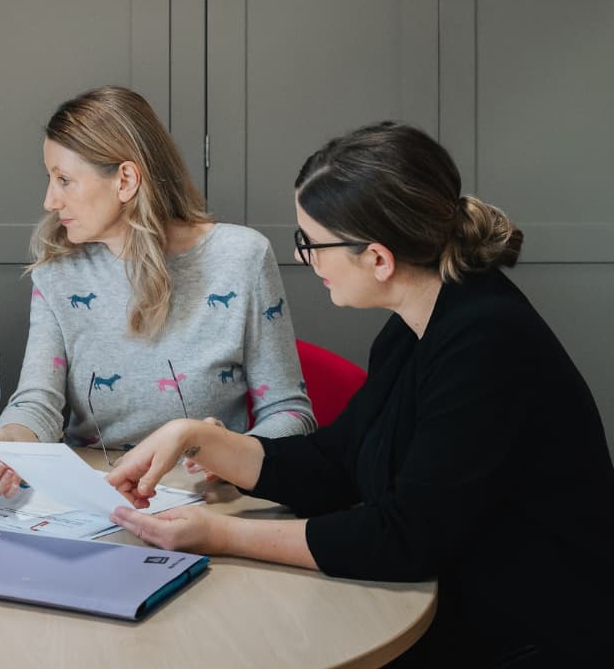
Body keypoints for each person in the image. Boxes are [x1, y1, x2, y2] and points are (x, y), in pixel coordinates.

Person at [107, 121, 614, 665]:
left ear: (377, 258)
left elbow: (402, 538)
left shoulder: (485, 342)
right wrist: (197, 440)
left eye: (311, 243)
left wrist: (220, 536)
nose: (305, 259)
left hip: (528, 638)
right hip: (463, 608)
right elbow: (340, 460)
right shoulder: (415, 322)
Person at [0, 86, 313, 497]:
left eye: (64, 180)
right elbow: (38, 401)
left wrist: (230, 450)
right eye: (50, 179)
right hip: (96, 499)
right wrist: (10, 441)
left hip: (208, 506)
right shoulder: (58, 273)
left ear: (125, 180)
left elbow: (290, 414)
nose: (49, 200)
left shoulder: (242, 258)